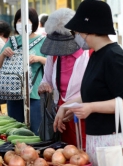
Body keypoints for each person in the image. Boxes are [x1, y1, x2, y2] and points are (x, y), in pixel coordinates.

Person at [54, 0, 123, 166]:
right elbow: (94, 92)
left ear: (90, 30)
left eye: (77, 32)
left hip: (117, 140)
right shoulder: (97, 55)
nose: (77, 36)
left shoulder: (115, 57)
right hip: (101, 139)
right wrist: (67, 106)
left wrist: (91, 108)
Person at [38, 8, 89, 148]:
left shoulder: (90, 53)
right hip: (61, 119)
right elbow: (46, 80)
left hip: (86, 117)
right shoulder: (54, 55)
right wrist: (43, 86)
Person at [0, 8, 47, 135]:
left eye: (26, 20)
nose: (22, 23)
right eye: (19, 20)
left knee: (35, 132)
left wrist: (38, 59)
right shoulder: (12, 41)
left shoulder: (43, 41)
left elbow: (52, 63)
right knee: (15, 130)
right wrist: (3, 54)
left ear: (33, 23)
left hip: (34, 92)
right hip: (13, 92)